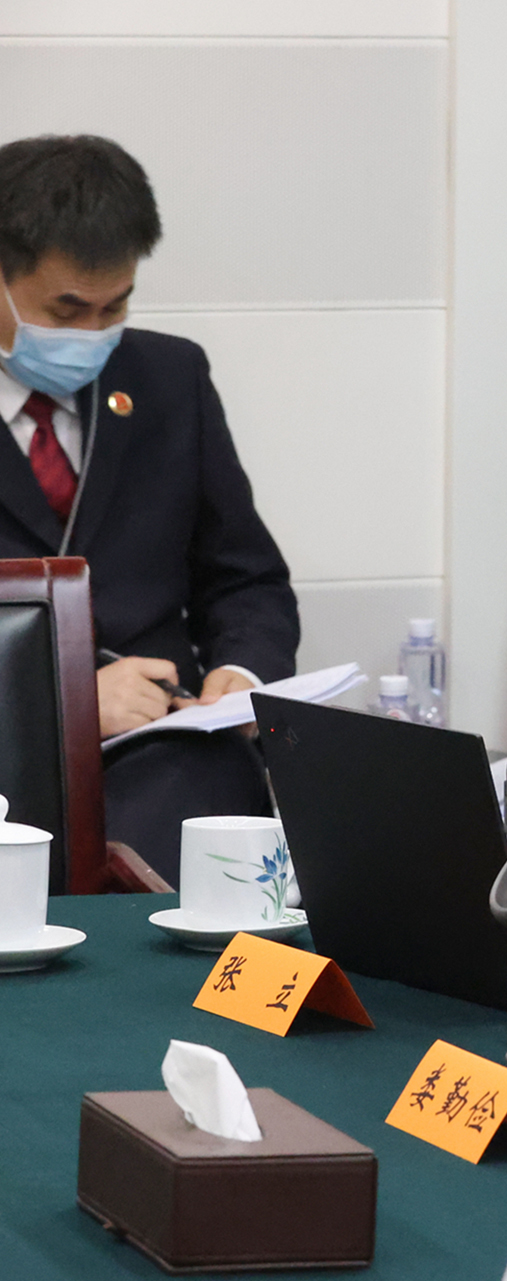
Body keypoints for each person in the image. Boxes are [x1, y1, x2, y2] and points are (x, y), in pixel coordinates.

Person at [0, 136, 296, 882]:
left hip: (163, 751)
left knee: (205, 843)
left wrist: (241, 673)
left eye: (116, 306)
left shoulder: (169, 376)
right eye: (66, 310)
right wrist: (57, 705)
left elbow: (247, 579)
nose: (93, 334)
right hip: (7, 758)